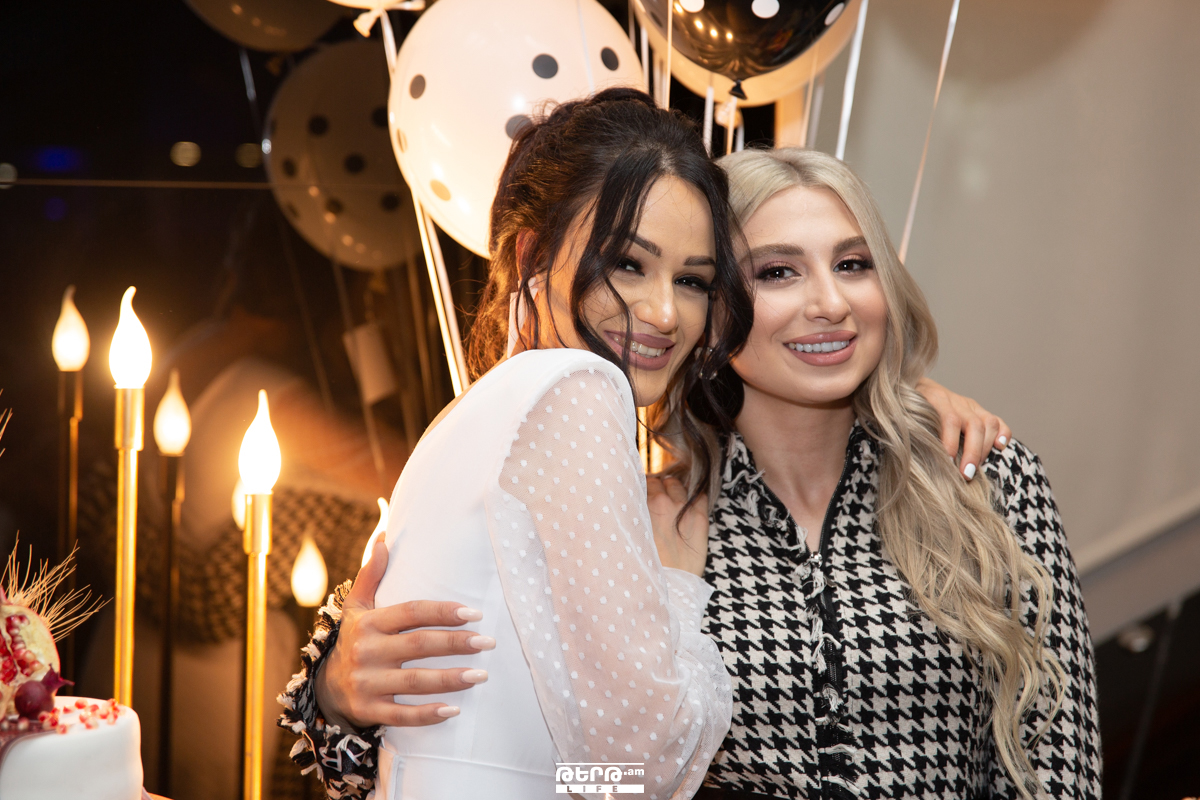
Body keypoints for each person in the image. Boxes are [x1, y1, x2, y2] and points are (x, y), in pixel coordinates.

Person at [277, 97, 1016, 797]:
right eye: (777, 272)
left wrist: (907, 410)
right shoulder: (634, 483)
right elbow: (612, 774)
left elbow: (1048, 754)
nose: (664, 311)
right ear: (735, 310)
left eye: (690, 279)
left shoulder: (976, 474)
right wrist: (334, 693)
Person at [663, 147, 1100, 800]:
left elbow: (1058, 767)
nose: (831, 302)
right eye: (778, 271)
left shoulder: (990, 482)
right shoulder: (656, 524)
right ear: (708, 305)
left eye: (853, 264)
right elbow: (592, 773)